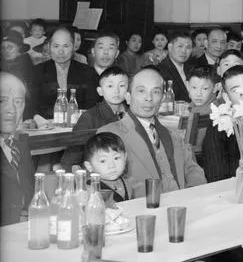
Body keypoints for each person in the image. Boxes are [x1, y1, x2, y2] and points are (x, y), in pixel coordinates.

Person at [102, 67, 207, 196]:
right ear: (128, 97)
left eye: (156, 92)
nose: (149, 98)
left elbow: (192, 169)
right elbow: (107, 187)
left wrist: (192, 196)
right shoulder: (109, 135)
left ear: (162, 99)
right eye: (141, 91)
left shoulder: (174, 134)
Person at [58, 66, 129, 169]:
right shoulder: (89, 117)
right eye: (110, 86)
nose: (116, 91)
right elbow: (71, 159)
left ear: (128, 89)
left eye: (122, 86)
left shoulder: (133, 115)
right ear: (100, 91)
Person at [34, 26, 99, 117]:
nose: (61, 51)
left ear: (73, 47)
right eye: (56, 46)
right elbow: (31, 106)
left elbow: (92, 106)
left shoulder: (87, 72)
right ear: (49, 47)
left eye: (66, 46)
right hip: (44, 126)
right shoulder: (36, 71)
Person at [0, 72, 34, 225]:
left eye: (18, 102)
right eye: (2, 101)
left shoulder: (19, 145)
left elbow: (28, 195)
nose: (11, 110)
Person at [82, 132, 131, 203]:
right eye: (103, 161)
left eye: (116, 158)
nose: (112, 166)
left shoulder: (126, 183)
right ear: (89, 166)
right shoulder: (90, 191)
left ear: (125, 158)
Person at [157, 31, 195, 101]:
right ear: (170, 47)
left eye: (188, 47)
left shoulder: (192, 69)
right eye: (180, 46)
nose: (184, 51)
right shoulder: (160, 70)